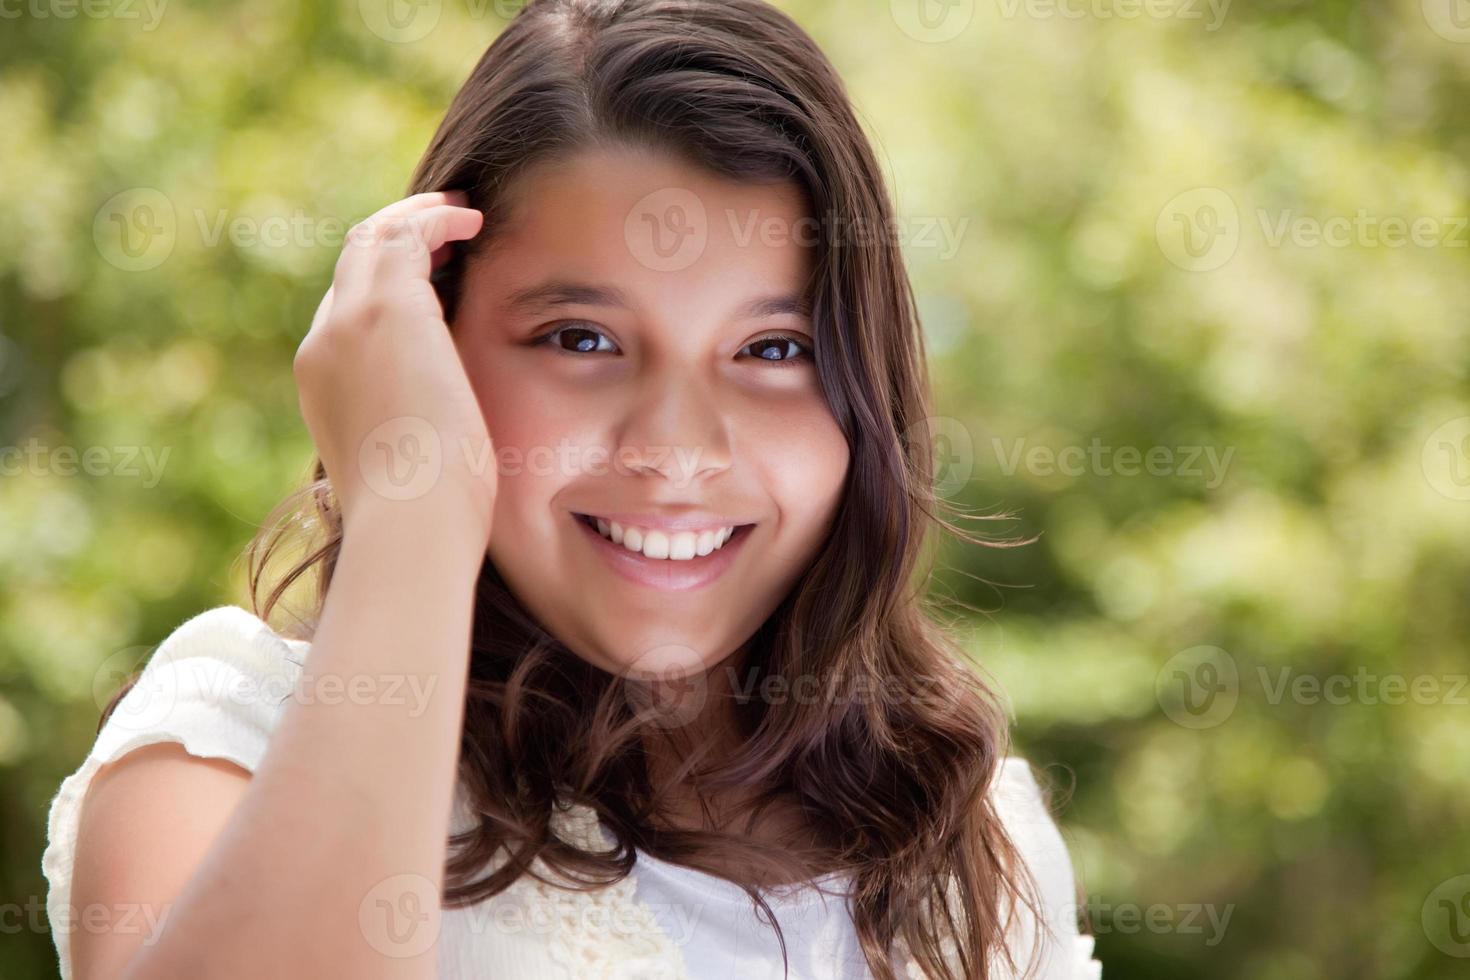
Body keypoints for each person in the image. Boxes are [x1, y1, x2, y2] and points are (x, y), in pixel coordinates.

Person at [41, 2, 1102, 977]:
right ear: (434, 338)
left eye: (774, 347)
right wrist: (410, 510)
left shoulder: (971, 843)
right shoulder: (225, 742)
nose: (679, 449)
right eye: (581, 338)